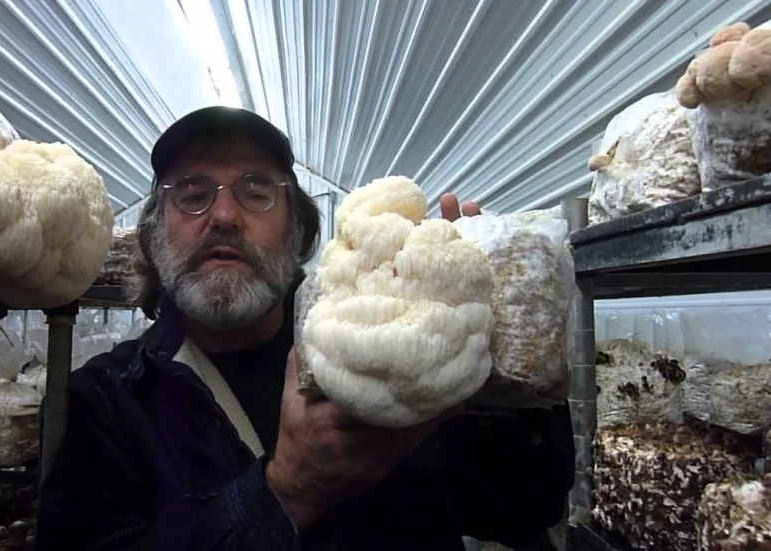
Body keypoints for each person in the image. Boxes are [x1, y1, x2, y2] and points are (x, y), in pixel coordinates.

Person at [36, 106, 575, 551]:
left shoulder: (397, 344)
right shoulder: (108, 401)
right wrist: (287, 491)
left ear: (298, 229)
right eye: (193, 194)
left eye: (255, 192)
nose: (223, 216)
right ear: (155, 234)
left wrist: (500, 358)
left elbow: (524, 507)